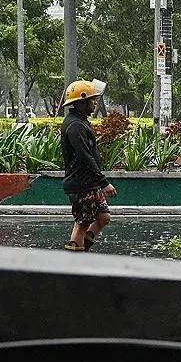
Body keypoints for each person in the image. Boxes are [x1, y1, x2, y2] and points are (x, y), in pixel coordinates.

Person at [60, 79, 116, 252]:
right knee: (82, 223)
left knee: (103, 218)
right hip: (81, 183)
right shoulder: (75, 125)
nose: (94, 103)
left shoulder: (80, 121)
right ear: (80, 102)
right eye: (91, 100)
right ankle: (74, 262)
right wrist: (103, 182)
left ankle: (81, 249)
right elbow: (85, 156)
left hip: (89, 182)